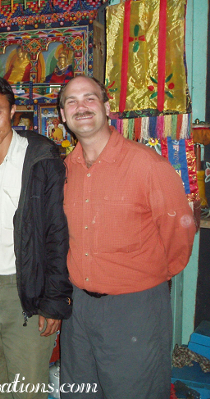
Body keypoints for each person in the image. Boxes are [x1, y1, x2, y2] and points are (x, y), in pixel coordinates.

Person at [57, 75, 196, 398]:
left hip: (135, 309)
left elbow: (180, 231)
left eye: (90, 98)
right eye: (72, 102)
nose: (82, 107)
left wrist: (147, 278)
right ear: (62, 115)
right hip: (78, 310)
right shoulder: (65, 169)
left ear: (107, 108)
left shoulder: (147, 165)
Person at [0, 73, 72, 399]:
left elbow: (58, 234)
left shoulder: (42, 159)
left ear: (12, 111)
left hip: (28, 292)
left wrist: (54, 300)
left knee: (28, 391)